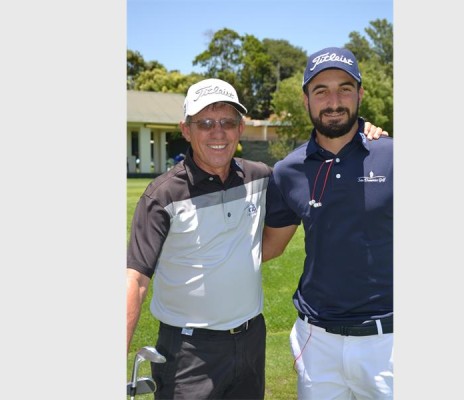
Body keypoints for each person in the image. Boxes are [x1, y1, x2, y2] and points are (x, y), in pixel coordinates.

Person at [127, 77, 387, 399]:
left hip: (250, 341)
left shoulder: (261, 177)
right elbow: (135, 280)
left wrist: (362, 131)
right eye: (205, 123)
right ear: (186, 130)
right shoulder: (162, 196)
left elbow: (274, 241)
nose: (218, 132)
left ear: (240, 128)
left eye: (227, 122)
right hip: (188, 350)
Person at [262, 47, 393, 399]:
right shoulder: (287, 171)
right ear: (306, 99)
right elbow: (270, 247)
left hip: (388, 342)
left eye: (344, 89)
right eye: (321, 91)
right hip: (316, 341)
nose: (334, 102)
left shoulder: (392, 156)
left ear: (360, 94)